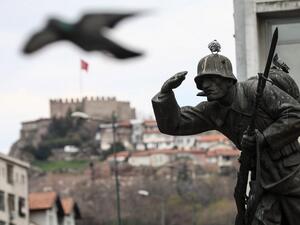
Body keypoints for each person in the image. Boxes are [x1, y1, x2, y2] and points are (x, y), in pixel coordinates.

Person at [152, 41, 300, 225]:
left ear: (229, 80)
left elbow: (295, 115)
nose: (206, 85)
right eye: (202, 82)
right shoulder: (212, 110)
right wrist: (165, 94)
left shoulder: (256, 90)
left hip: (292, 173)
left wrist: (264, 138)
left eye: (212, 79)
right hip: (263, 181)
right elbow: (175, 124)